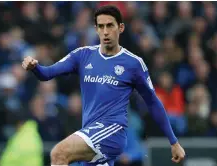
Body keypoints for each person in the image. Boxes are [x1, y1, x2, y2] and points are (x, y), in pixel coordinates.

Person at [22, 5, 185, 166]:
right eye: (101, 26)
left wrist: (173, 142)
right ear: (96, 29)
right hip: (90, 132)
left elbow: (153, 102)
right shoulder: (83, 55)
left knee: (59, 153)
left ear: (120, 28)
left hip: (112, 131)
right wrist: (35, 67)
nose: (105, 31)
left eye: (110, 25)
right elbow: (47, 74)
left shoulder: (133, 63)